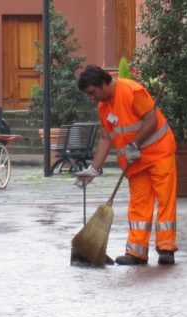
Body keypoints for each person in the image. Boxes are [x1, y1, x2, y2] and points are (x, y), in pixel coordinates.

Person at [75, 65, 178, 265]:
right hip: (135, 162)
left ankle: (166, 249)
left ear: (104, 83)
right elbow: (106, 138)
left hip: (159, 153)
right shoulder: (104, 106)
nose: (92, 97)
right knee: (139, 204)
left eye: (92, 93)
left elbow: (151, 120)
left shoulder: (132, 91)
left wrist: (135, 144)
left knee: (165, 199)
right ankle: (136, 253)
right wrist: (93, 169)